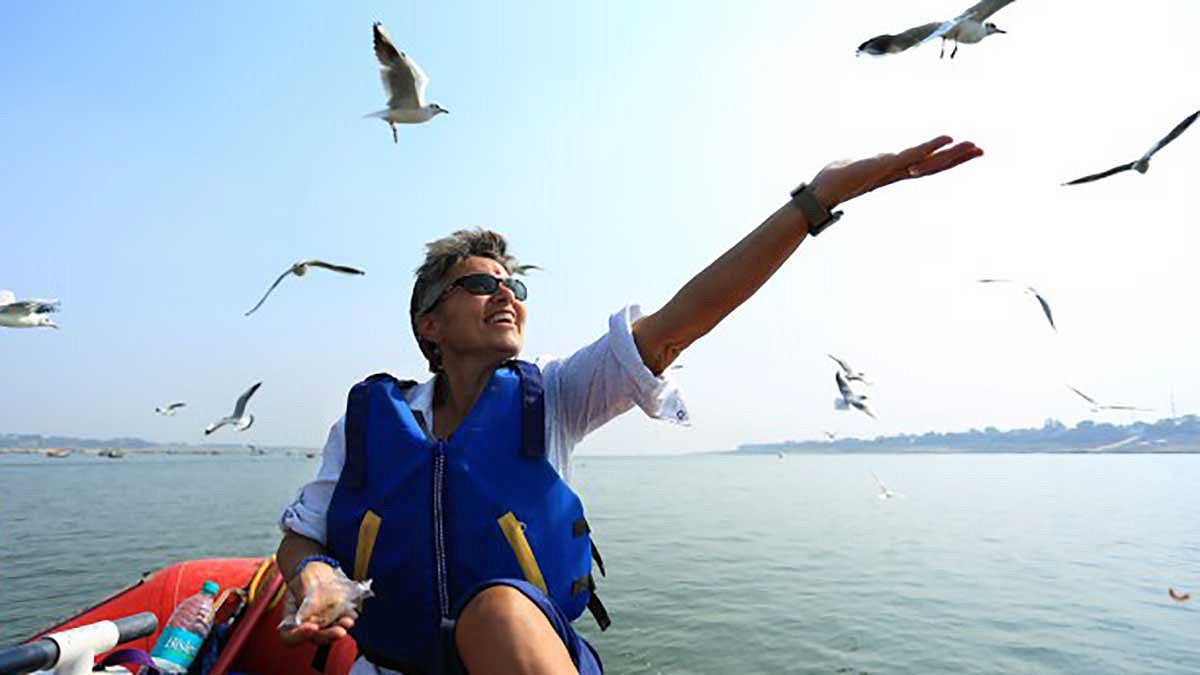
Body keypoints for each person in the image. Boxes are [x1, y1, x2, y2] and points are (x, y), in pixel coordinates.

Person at [275, 135, 983, 675]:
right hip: (390, 663)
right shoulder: (369, 421)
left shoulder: (553, 396)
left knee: (496, 607)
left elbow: (685, 317)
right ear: (429, 324)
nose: (507, 294)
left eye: (515, 285)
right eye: (481, 284)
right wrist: (315, 573)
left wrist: (815, 199)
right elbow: (303, 536)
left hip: (523, 651)